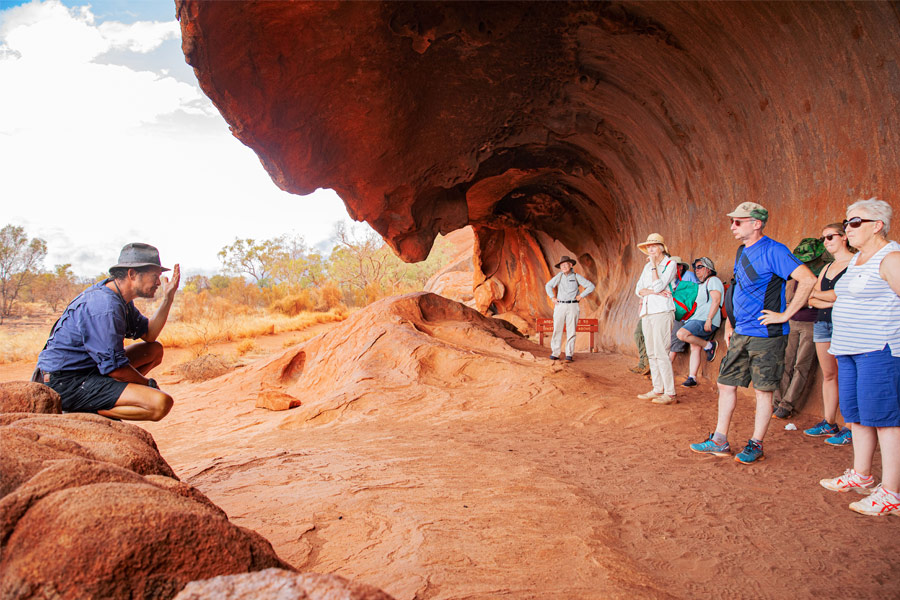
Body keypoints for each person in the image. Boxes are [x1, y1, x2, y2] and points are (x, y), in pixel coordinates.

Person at [690, 202, 816, 463]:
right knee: (725, 383)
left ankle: (756, 444)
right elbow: (739, 289)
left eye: (738, 221)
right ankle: (719, 440)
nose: (732, 226)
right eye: (732, 221)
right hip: (741, 332)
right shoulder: (741, 251)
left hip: (766, 334)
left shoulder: (774, 251)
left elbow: (808, 279)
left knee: (763, 391)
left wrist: (785, 315)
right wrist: (730, 323)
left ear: (756, 224)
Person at [819, 198, 900, 516]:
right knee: (856, 417)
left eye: (854, 223)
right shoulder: (858, 260)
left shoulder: (891, 257)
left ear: (876, 225)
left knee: (886, 421)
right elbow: (841, 295)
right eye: (847, 222)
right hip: (848, 349)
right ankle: (862, 475)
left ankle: (892, 491)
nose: (846, 229)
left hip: (878, 349)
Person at [37, 243, 180, 421]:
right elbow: (115, 369)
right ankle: (94, 411)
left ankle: (107, 397)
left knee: (153, 351)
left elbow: (150, 334)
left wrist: (168, 298)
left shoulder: (120, 299)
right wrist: (147, 385)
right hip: (65, 382)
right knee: (160, 404)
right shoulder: (105, 306)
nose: (158, 282)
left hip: (90, 369)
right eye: (155, 276)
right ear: (132, 274)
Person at [804, 223, 855, 445]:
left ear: (844, 237)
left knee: (847, 375)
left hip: (844, 324)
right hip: (823, 322)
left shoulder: (855, 262)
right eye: (824, 238)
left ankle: (851, 425)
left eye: (830, 237)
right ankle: (829, 421)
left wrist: (825, 297)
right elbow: (811, 296)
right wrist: (829, 297)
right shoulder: (826, 268)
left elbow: (843, 295)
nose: (826, 242)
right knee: (829, 375)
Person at [771, 238, 830, 418]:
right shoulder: (796, 273)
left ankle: (787, 404)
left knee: (801, 365)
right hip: (792, 321)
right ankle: (777, 400)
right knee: (786, 362)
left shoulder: (822, 273)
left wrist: (799, 302)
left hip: (811, 323)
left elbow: (809, 299)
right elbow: (794, 297)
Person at [634, 233, 678, 404]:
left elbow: (660, 284)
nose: (650, 249)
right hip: (647, 311)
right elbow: (638, 289)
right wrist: (654, 291)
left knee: (661, 352)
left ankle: (670, 393)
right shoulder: (646, 268)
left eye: (653, 246)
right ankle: (657, 388)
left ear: (661, 247)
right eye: (648, 247)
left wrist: (653, 267)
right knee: (651, 352)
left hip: (662, 310)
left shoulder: (670, 263)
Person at [675, 257, 723, 387]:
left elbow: (716, 300)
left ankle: (709, 345)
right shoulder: (701, 285)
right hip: (698, 319)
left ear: (708, 269)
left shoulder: (713, 281)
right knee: (694, 347)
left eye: (700, 267)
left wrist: (709, 319)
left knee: (681, 334)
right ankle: (692, 377)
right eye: (695, 267)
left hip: (705, 319)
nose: (697, 270)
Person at [545, 255, 595, 362]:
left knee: (571, 330)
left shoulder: (576, 276)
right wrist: (552, 297)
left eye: (565, 265)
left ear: (570, 265)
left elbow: (591, 286)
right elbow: (548, 285)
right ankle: (555, 353)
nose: (563, 267)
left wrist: (581, 295)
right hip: (560, 305)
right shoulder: (559, 276)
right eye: (562, 265)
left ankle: (569, 354)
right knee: (557, 329)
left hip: (573, 305)